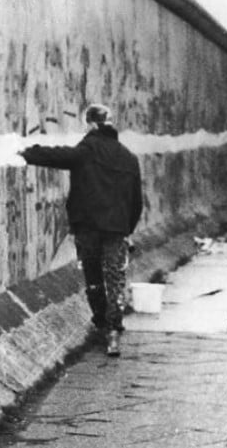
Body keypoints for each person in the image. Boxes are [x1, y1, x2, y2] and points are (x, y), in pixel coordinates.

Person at [19, 103, 143, 357]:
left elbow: (57, 156)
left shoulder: (87, 150)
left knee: (94, 280)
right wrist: (125, 228)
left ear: (92, 124)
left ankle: (100, 322)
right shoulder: (129, 158)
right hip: (116, 229)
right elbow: (136, 202)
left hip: (88, 228)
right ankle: (113, 332)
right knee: (115, 280)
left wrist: (25, 152)